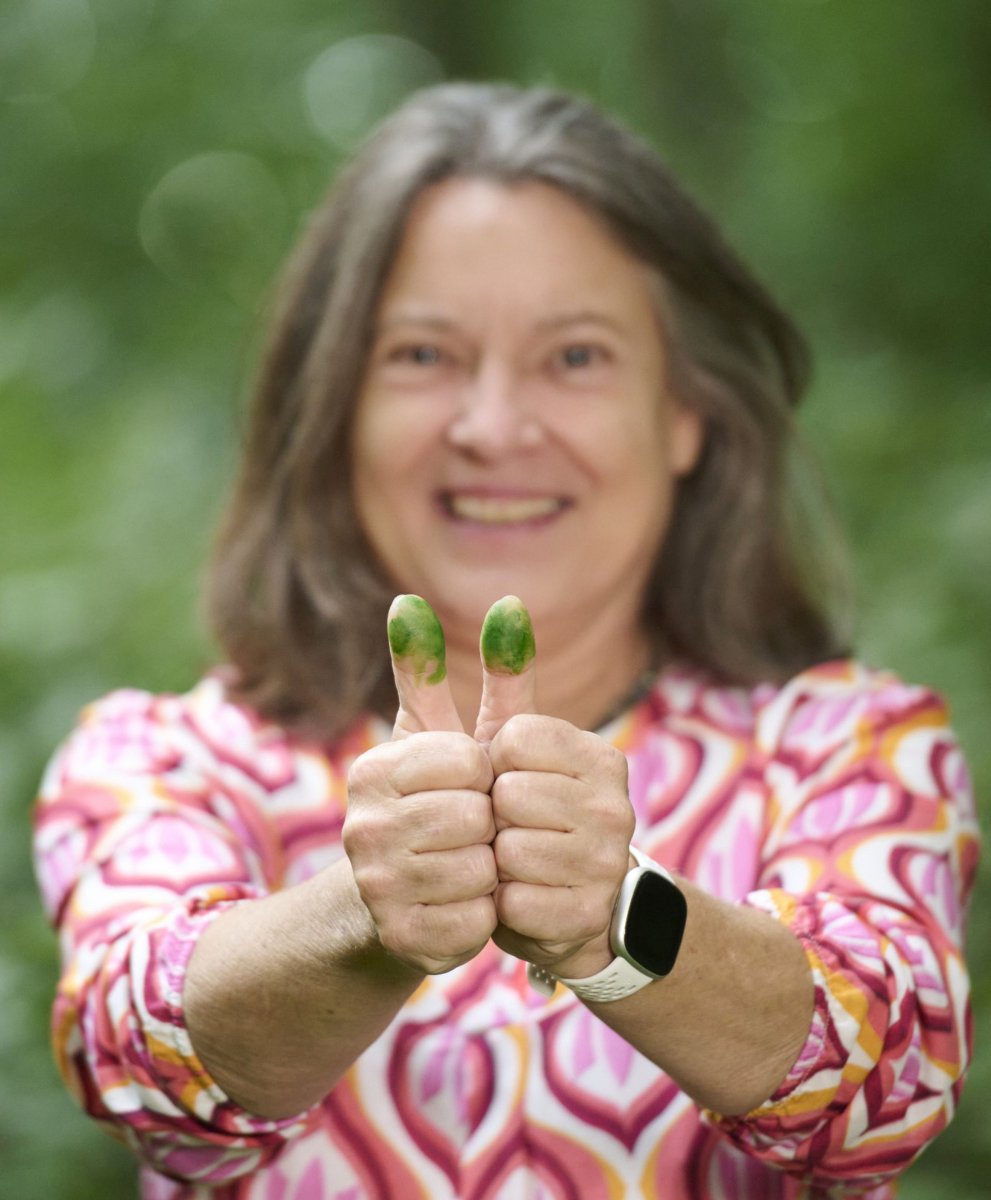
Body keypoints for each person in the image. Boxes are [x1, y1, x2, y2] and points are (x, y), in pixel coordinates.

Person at [33, 82, 978, 1200]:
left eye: (574, 357)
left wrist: (618, 917)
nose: (491, 428)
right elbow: (141, 1077)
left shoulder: (852, 746)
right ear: (335, 409)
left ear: (685, 412)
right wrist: (364, 912)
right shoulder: (162, 761)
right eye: (422, 357)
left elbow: (883, 1092)